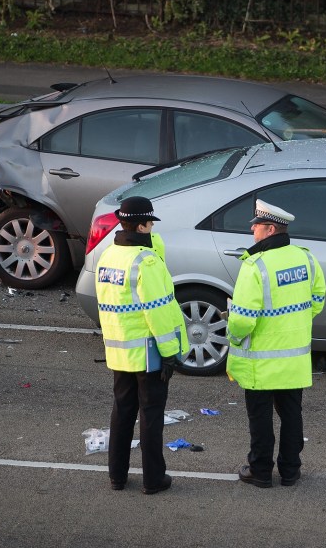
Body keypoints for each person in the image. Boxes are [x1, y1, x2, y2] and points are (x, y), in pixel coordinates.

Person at [226, 199, 326, 488]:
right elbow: (318, 298)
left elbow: (243, 318)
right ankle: (290, 471)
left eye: (256, 226)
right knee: (292, 416)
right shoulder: (305, 258)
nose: (253, 231)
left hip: (261, 362)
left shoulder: (255, 266)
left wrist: (233, 335)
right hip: (294, 358)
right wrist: (293, 325)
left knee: (261, 420)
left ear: (270, 229)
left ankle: (259, 471)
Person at [95, 196, 189, 495]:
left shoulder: (109, 255)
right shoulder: (145, 262)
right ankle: (153, 479)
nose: (153, 228)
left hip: (119, 349)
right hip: (148, 353)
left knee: (122, 412)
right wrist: (170, 352)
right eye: (150, 223)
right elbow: (158, 312)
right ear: (141, 225)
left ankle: (117, 477)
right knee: (151, 416)